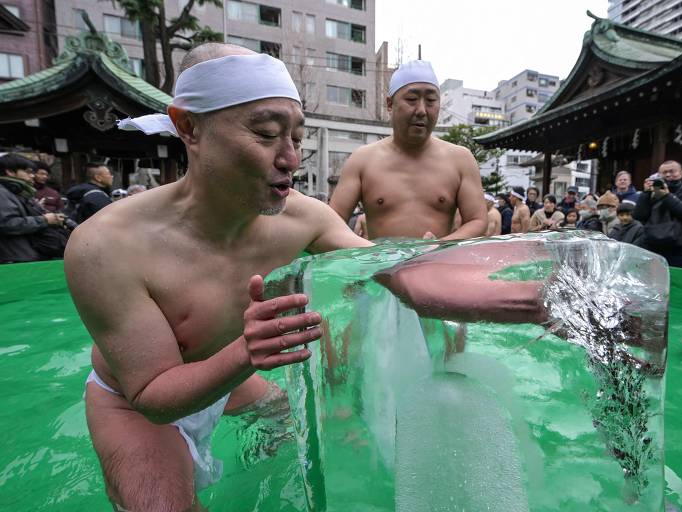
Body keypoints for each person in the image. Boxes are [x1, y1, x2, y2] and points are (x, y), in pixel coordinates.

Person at [69, 44, 372, 511]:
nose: (291, 158)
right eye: (267, 134)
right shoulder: (105, 245)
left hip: (230, 378)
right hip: (135, 402)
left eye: (296, 137)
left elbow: (395, 271)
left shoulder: (304, 219)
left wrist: (511, 296)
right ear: (189, 127)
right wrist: (248, 351)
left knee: (296, 433)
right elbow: (152, 396)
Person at [329, 60, 487, 240]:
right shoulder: (362, 160)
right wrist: (365, 252)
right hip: (381, 266)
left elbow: (478, 221)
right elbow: (333, 222)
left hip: (437, 265)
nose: (421, 110)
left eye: (431, 101)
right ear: (390, 104)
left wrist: (441, 246)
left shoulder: (461, 159)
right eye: (411, 100)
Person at [633, 161, 682, 269]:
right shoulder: (653, 192)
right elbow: (639, 216)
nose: (668, 175)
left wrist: (666, 196)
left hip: (680, 250)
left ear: (681, 173)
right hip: (653, 247)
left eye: (672, 171)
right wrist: (645, 194)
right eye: (664, 172)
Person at [0, 153, 67, 263]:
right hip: (13, 259)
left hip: (25, 255)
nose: (32, 176)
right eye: (28, 172)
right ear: (10, 172)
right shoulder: (3, 192)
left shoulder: (19, 191)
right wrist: (45, 220)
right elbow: (6, 223)